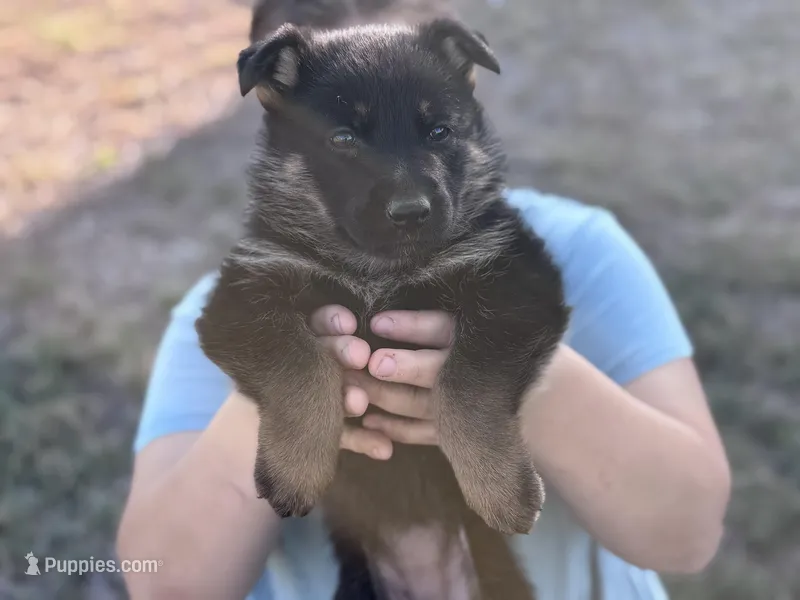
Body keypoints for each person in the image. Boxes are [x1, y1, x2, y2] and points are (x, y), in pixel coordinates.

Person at [116, 1, 732, 598]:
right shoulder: (251, 281)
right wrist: (283, 393)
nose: (407, 191)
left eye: (435, 131)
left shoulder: (574, 251)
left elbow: (691, 533)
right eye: (346, 142)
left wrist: (510, 388)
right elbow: (163, 582)